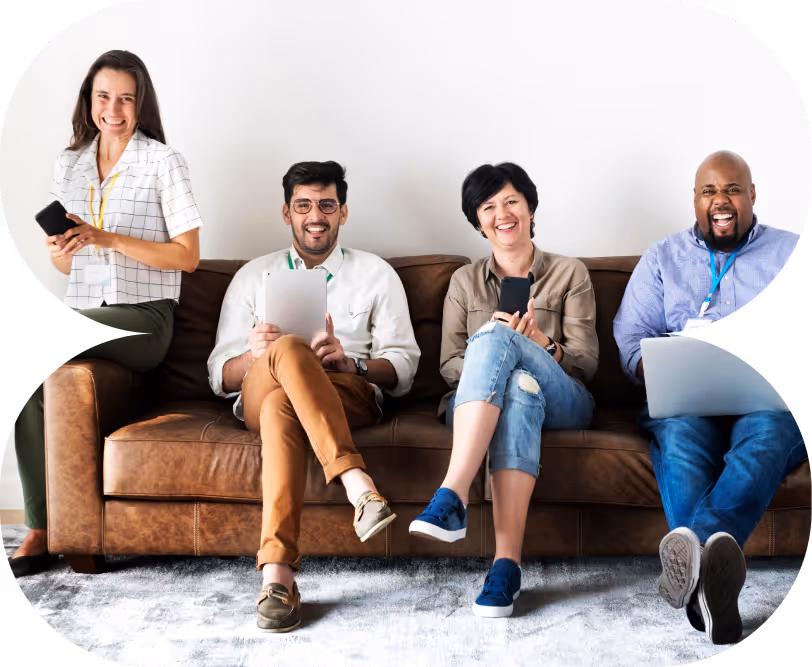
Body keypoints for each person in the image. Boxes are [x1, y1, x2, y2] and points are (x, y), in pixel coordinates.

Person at [9, 50, 203, 577]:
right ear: (89, 101)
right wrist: (64, 250)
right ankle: (42, 526)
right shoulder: (69, 163)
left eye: (125, 98)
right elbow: (62, 262)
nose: (113, 108)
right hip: (86, 309)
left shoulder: (164, 162)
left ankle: (43, 527)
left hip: (145, 317)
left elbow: (187, 255)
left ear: (140, 104)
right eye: (103, 96)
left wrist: (107, 237)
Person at [207, 161, 420, 632]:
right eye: (303, 205)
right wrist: (254, 354)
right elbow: (220, 375)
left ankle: (277, 576)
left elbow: (403, 368)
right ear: (287, 213)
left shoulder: (377, 274)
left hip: (344, 390)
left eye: (326, 205)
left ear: (343, 212)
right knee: (284, 350)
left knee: (288, 403)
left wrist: (352, 363)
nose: (315, 215)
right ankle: (357, 486)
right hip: (260, 390)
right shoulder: (251, 276)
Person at [613, 150, 805, 644]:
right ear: (695, 200)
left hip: (765, 401)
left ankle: (692, 559)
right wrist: (659, 370)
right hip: (687, 400)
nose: (721, 201)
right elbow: (631, 336)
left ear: (753, 195)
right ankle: (713, 588)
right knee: (677, 437)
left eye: (732, 189)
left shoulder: (787, 250)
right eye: (709, 191)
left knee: (771, 433)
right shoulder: (662, 258)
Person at [409, 163, 599, 617]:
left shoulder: (570, 273)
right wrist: (501, 356)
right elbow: (450, 365)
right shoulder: (464, 282)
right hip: (481, 401)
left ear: (530, 208)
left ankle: (452, 493)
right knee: (517, 386)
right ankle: (506, 568)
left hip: (565, 400)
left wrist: (537, 343)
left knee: (499, 340)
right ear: (478, 222)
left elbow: (586, 365)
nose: (502, 213)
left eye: (511, 201)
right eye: (488, 206)